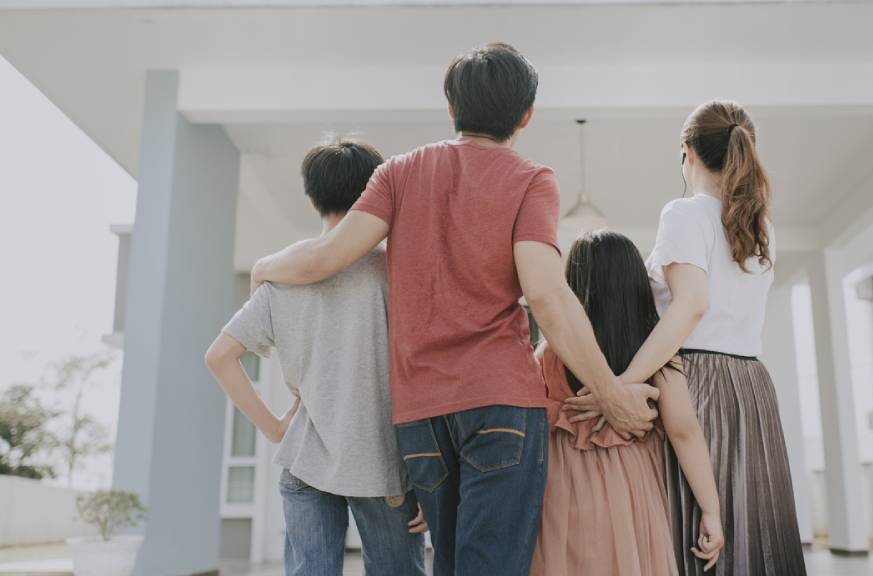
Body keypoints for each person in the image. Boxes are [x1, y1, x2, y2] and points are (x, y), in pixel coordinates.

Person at [247, 43, 658, 576]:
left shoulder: (398, 173)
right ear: (526, 115)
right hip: (500, 404)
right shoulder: (531, 180)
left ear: (450, 106)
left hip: (420, 413)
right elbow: (548, 296)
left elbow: (328, 256)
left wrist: (265, 265)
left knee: (450, 562)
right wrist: (612, 394)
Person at [566, 100, 808, 575]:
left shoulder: (683, 213)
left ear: (688, 153)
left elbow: (691, 305)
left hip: (697, 382)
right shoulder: (762, 228)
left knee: (696, 532)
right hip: (752, 387)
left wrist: (624, 385)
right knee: (752, 530)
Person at [204, 138, 427, 576]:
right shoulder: (396, 271)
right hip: (384, 464)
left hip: (306, 458)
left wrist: (273, 428)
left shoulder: (282, 279)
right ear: (375, 192)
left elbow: (219, 357)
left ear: (312, 198)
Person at [530, 231, 724, 576]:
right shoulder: (657, 357)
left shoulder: (551, 353)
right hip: (632, 494)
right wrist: (711, 510)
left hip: (559, 490)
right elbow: (685, 434)